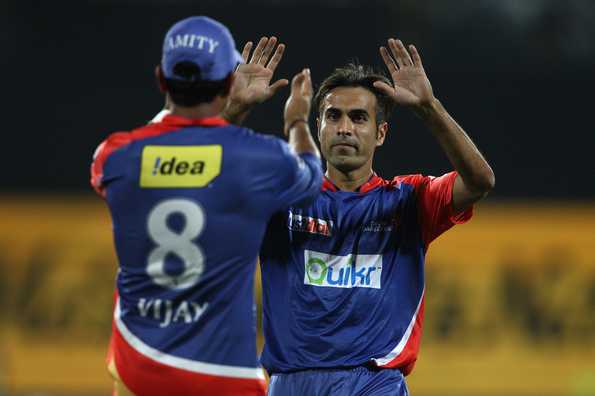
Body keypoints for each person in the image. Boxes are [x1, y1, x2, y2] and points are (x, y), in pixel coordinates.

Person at [90, 16, 322, 396]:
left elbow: (170, 151)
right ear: (228, 83)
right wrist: (296, 120)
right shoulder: (259, 159)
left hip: (139, 371)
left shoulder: (115, 157)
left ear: (161, 79)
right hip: (223, 378)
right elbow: (310, 177)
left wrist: (228, 111)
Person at [259, 39, 495, 395]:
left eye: (358, 118)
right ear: (318, 127)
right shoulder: (281, 200)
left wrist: (430, 108)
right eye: (333, 116)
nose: (344, 128)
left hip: (374, 383)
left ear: (380, 133)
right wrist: (229, 110)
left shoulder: (408, 200)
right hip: (292, 382)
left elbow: (480, 180)